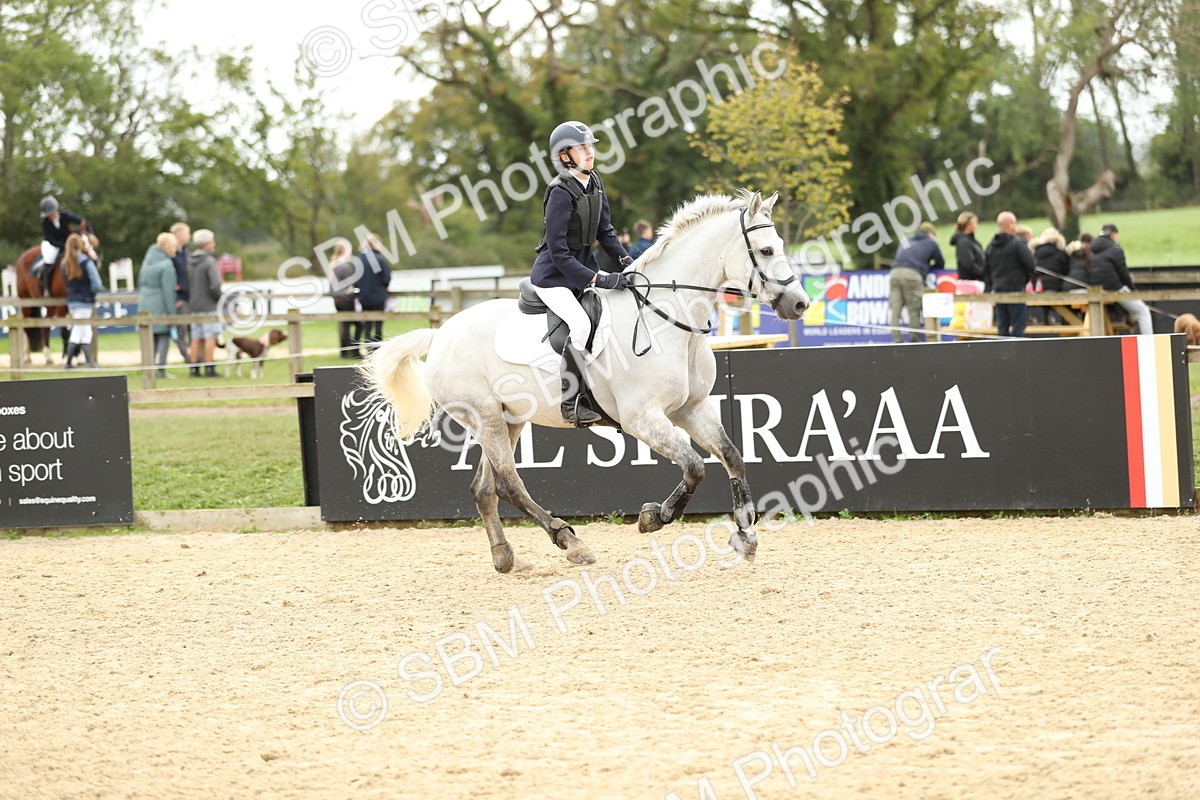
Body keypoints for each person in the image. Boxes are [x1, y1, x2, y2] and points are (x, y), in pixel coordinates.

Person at [530, 120, 632, 426]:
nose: (590, 152)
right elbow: (559, 253)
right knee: (581, 324)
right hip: (554, 278)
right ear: (565, 156)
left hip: (583, 270)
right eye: (582, 148)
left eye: (591, 146)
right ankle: (570, 403)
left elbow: (607, 232)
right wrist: (598, 278)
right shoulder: (559, 193)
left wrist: (630, 262)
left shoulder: (595, 181)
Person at [1090, 223, 1152, 335]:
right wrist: (1133, 291)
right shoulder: (1116, 249)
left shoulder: (1091, 249)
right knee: (1143, 312)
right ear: (1114, 234)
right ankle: (1149, 342)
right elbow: (1124, 274)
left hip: (1095, 291)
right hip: (1114, 289)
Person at [887, 222, 943, 343]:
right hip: (912, 275)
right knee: (914, 309)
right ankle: (914, 342)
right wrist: (928, 266)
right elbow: (940, 262)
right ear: (930, 233)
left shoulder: (906, 240)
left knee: (895, 310)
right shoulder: (931, 242)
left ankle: (897, 342)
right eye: (934, 234)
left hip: (895, 273)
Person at [983, 211, 1036, 337]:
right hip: (1016, 288)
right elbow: (1030, 264)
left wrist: (990, 286)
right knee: (1018, 324)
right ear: (1010, 224)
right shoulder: (1018, 244)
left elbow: (986, 269)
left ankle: (1003, 354)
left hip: (998, 289)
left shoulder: (991, 246)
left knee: (1002, 325)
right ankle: (1018, 353)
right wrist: (1028, 279)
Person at [138, 233, 179, 378]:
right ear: (167, 247)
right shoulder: (166, 265)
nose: (177, 249)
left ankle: (148, 368)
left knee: (150, 337)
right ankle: (160, 369)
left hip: (144, 303)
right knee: (163, 336)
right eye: (174, 246)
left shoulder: (147, 259)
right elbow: (169, 292)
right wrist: (172, 315)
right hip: (160, 303)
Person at [62, 233, 103, 368]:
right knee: (79, 330)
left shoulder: (64, 263)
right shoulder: (86, 262)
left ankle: (89, 361)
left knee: (85, 330)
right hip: (84, 301)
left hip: (72, 301)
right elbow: (97, 284)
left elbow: (65, 283)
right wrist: (90, 294)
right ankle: (69, 362)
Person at [37, 197, 95, 292]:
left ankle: (92, 279)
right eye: (49, 214)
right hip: (52, 244)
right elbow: (51, 240)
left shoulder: (65, 216)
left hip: (68, 241)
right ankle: (47, 288)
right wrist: (66, 247)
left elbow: (83, 221)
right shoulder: (44, 223)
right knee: (49, 259)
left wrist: (91, 233)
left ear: (56, 210)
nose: (51, 215)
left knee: (88, 252)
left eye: (53, 212)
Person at [187, 229, 223, 377]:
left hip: (193, 304)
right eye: (212, 241)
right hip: (208, 304)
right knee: (210, 335)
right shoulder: (209, 261)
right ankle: (209, 367)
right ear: (207, 244)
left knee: (196, 336)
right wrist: (220, 298)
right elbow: (215, 285)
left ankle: (194, 369)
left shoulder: (190, 261)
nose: (214, 244)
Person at [354, 233, 391, 352]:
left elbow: (355, 279)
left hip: (364, 296)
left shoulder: (359, 259)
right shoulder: (379, 259)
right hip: (378, 296)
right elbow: (386, 278)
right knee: (378, 323)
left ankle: (368, 347)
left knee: (367, 323)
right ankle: (377, 348)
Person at [328, 239, 362, 359]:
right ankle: (352, 350)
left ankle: (344, 351)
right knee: (357, 324)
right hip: (345, 299)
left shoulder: (333, 265)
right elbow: (352, 283)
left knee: (345, 325)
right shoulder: (344, 266)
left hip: (337, 300)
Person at [1031, 227, 1069, 324]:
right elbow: (1065, 270)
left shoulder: (1036, 252)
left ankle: (1046, 320)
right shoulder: (1060, 252)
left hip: (1040, 287)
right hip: (1056, 287)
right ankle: (1064, 322)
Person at [170, 222, 192, 366]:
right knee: (181, 330)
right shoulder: (171, 255)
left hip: (190, 297)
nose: (189, 236)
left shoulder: (186, 253)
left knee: (192, 329)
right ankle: (188, 358)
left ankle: (195, 357)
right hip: (180, 298)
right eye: (187, 233)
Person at [949, 211, 984, 281]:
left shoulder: (972, 241)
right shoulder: (963, 242)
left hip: (975, 281)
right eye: (975, 223)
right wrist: (983, 274)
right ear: (968, 225)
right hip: (968, 283)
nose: (977, 225)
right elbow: (968, 265)